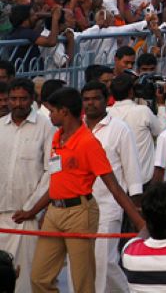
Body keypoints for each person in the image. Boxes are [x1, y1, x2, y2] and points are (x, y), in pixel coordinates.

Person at [18, 87, 145, 293]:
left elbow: (114, 187)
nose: (49, 115)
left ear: (64, 111)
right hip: (54, 212)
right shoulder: (57, 137)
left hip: (80, 213)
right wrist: (32, 212)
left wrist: (139, 222)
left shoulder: (88, 143)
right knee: (39, 277)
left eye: (52, 111)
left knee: (82, 281)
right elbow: (57, 183)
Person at [81, 80, 144, 293]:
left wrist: (135, 208)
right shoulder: (76, 127)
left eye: (96, 99)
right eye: (86, 99)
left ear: (106, 100)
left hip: (108, 206)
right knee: (80, 262)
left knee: (104, 263)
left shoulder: (119, 128)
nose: (91, 103)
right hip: (78, 206)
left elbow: (132, 169)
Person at [0, 78, 53, 292]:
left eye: (23, 99)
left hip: (27, 216)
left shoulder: (46, 126)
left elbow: (51, 171)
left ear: (32, 99)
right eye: (13, 99)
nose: (18, 103)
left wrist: (32, 208)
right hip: (1, 212)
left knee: (24, 279)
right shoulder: (0, 127)